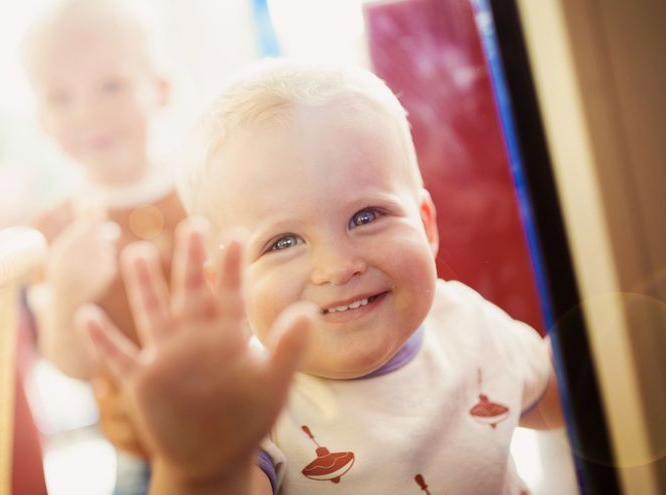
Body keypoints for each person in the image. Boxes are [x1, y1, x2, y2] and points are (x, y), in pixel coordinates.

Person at [79, 59, 565, 494]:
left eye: (368, 215)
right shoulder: (255, 406)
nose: (337, 265)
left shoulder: (467, 320)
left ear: (427, 225)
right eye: (283, 242)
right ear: (227, 281)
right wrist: (199, 467)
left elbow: (568, 400)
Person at [20, 0, 186, 493]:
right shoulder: (53, 230)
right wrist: (69, 293)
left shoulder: (207, 188)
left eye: (110, 86)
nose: (88, 112)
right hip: (143, 452)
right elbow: (70, 367)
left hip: (257, 431)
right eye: (61, 97)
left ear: (159, 88)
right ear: (41, 118)